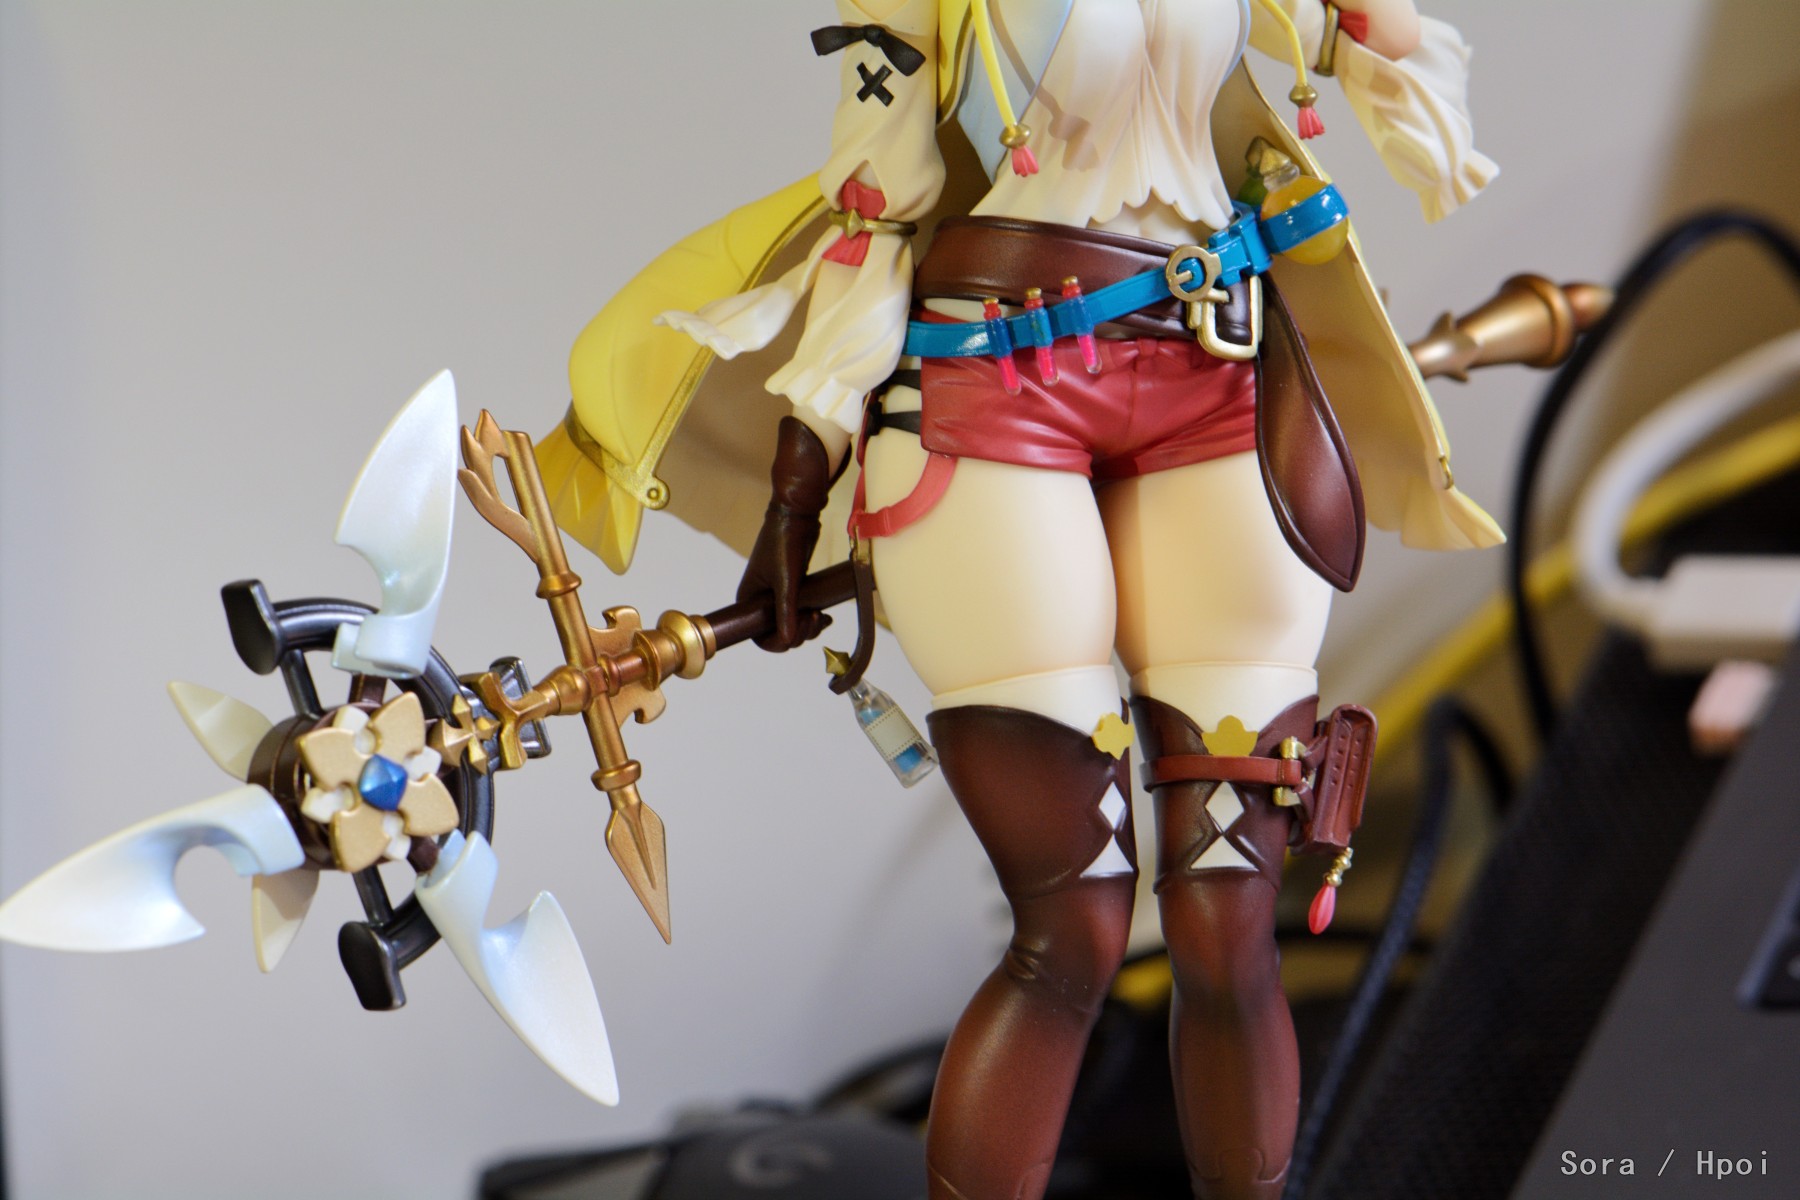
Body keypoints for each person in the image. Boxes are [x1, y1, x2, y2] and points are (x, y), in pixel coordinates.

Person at [538, 2, 1499, 1196]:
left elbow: (1387, 51)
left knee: (1228, 915)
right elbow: (871, 223)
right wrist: (798, 487)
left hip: (1215, 367)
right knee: (1076, 924)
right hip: (993, 384)